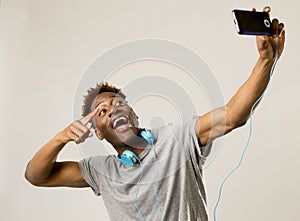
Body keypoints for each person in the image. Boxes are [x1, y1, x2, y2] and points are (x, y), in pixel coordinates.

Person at [25, 6, 285, 221]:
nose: (112, 110)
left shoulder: (177, 137)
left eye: (117, 103)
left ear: (134, 114)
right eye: (101, 112)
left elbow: (233, 115)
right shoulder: (101, 171)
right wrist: (62, 138)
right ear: (99, 133)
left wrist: (266, 60)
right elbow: (36, 176)